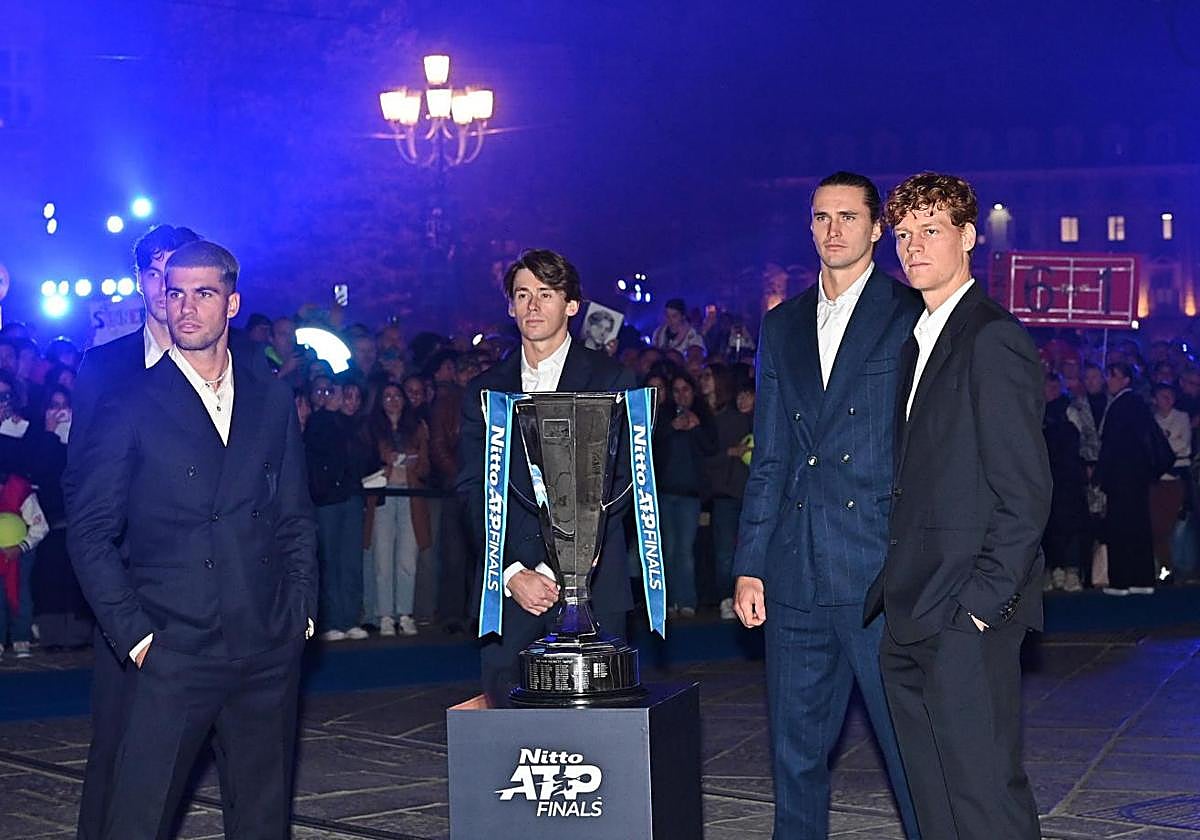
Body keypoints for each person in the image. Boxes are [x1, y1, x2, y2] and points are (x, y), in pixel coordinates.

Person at [65, 240, 318, 838]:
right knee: (138, 818)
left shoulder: (270, 398)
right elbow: (92, 530)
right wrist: (135, 637)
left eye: (203, 294)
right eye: (175, 293)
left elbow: (294, 515)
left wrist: (301, 611)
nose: (185, 307)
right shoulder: (129, 402)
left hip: (264, 642)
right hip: (171, 646)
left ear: (232, 303)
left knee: (262, 820)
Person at [733, 171, 922, 839]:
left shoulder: (909, 316)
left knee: (910, 755)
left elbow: (924, 452)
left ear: (877, 229)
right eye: (821, 217)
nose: (833, 229)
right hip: (795, 574)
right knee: (795, 758)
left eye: (847, 216)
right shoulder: (781, 325)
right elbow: (772, 458)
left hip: (877, 572)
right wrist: (750, 564)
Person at [865, 172, 1050, 839]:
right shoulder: (919, 341)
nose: (914, 247)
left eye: (931, 230)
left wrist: (978, 607)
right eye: (905, 235)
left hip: (962, 618)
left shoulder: (990, 338)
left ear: (968, 237)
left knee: (983, 802)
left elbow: (1024, 491)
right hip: (911, 612)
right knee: (935, 807)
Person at [62, 223, 206, 840]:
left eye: (178, 273)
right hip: (129, 587)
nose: (165, 288)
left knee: (216, 743)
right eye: (154, 273)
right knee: (117, 737)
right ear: (142, 281)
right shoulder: (104, 366)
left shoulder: (228, 362)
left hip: (211, 585)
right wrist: (112, 585)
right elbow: (82, 483)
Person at [457, 249, 635, 706]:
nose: (533, 305)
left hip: (592, 583)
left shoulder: (611, 379)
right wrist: (512, 571)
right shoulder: (486, 390)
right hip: (510, 586)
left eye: (546, 293)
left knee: (597, 728)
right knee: (508, 724)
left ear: (571, 305)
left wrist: (557, 565)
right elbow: (472, 488)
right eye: (523, 294)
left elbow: (619, 483)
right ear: (510, 307)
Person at [365, 381, 430, 637]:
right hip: (382, 497)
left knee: (407, 559)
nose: (392, 400)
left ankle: (405, 613)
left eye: (396, 395)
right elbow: (363, 462)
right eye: (387, 395)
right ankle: (384, 615)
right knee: (382, 558)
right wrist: (385, 461)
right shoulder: (371, 430)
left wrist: (412, 464)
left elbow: (427, 467)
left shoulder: (417, 428)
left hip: (410, 497)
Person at [1095, 361, 1158, 595]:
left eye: (1114, 376)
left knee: (1119, 528)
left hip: (1120, 477)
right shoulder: (1138, 404)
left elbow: (1110, 447)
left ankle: (1121, 580)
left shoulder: (1120, 406)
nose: (1109, 380)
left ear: (1126, 380)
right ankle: (1142, 579)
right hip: (1138, 477)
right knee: (1139, 526)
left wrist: (1100, 476)